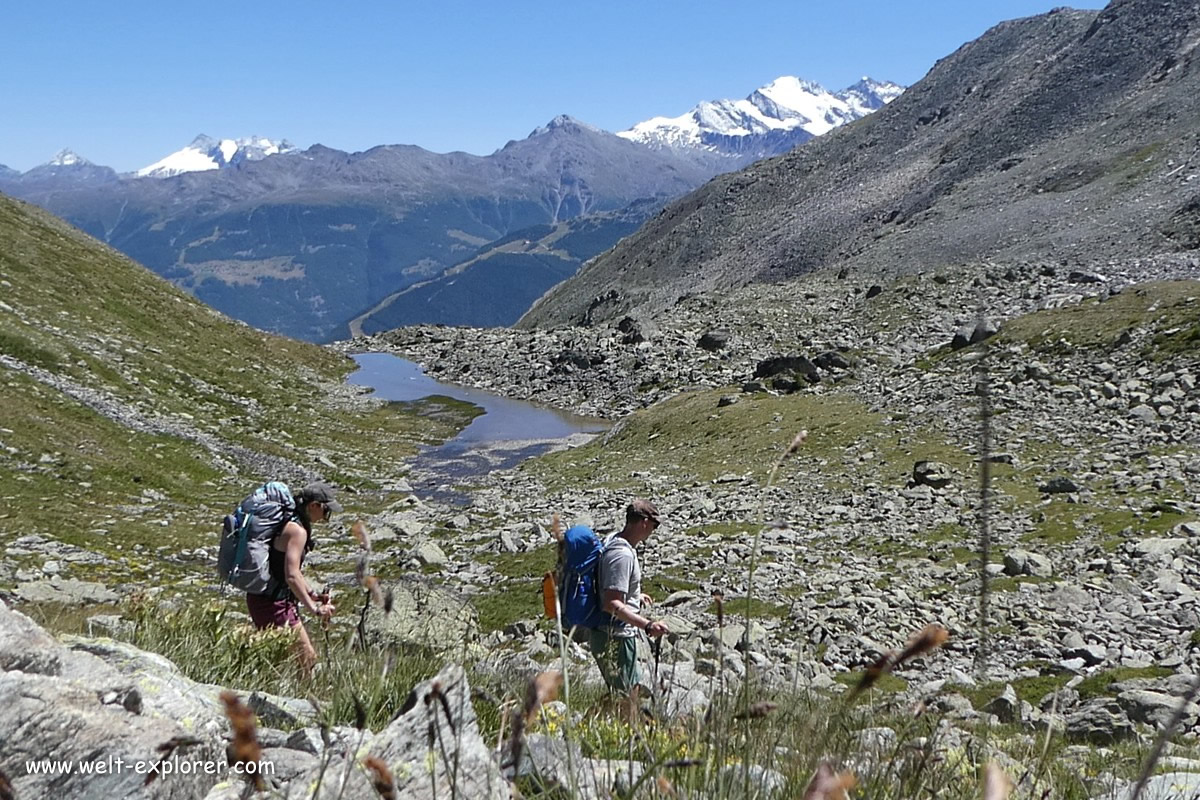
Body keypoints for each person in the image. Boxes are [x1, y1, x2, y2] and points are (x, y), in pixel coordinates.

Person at [245, 482, 341, 674]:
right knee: (307, 659)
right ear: (313, 505)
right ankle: (302, 701)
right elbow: (291, 574)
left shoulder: (290, 522)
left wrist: (312, 593)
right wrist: (314, 609)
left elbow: (291, 571)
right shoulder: (297, 531)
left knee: (282, 658)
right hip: (273, 604)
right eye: (325, 511)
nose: (325, 517)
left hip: (267, 600)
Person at [591, 499, 670, 694]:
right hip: (616, 637)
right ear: (643, 522)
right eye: (654, 525)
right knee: (627, 695)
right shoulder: (623, 555)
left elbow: (612, 584)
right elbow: (612, 604)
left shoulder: (613, 540)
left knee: (623, 693)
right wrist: (648, 625)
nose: (654, 530)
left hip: (609, 634)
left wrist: (634, 595)